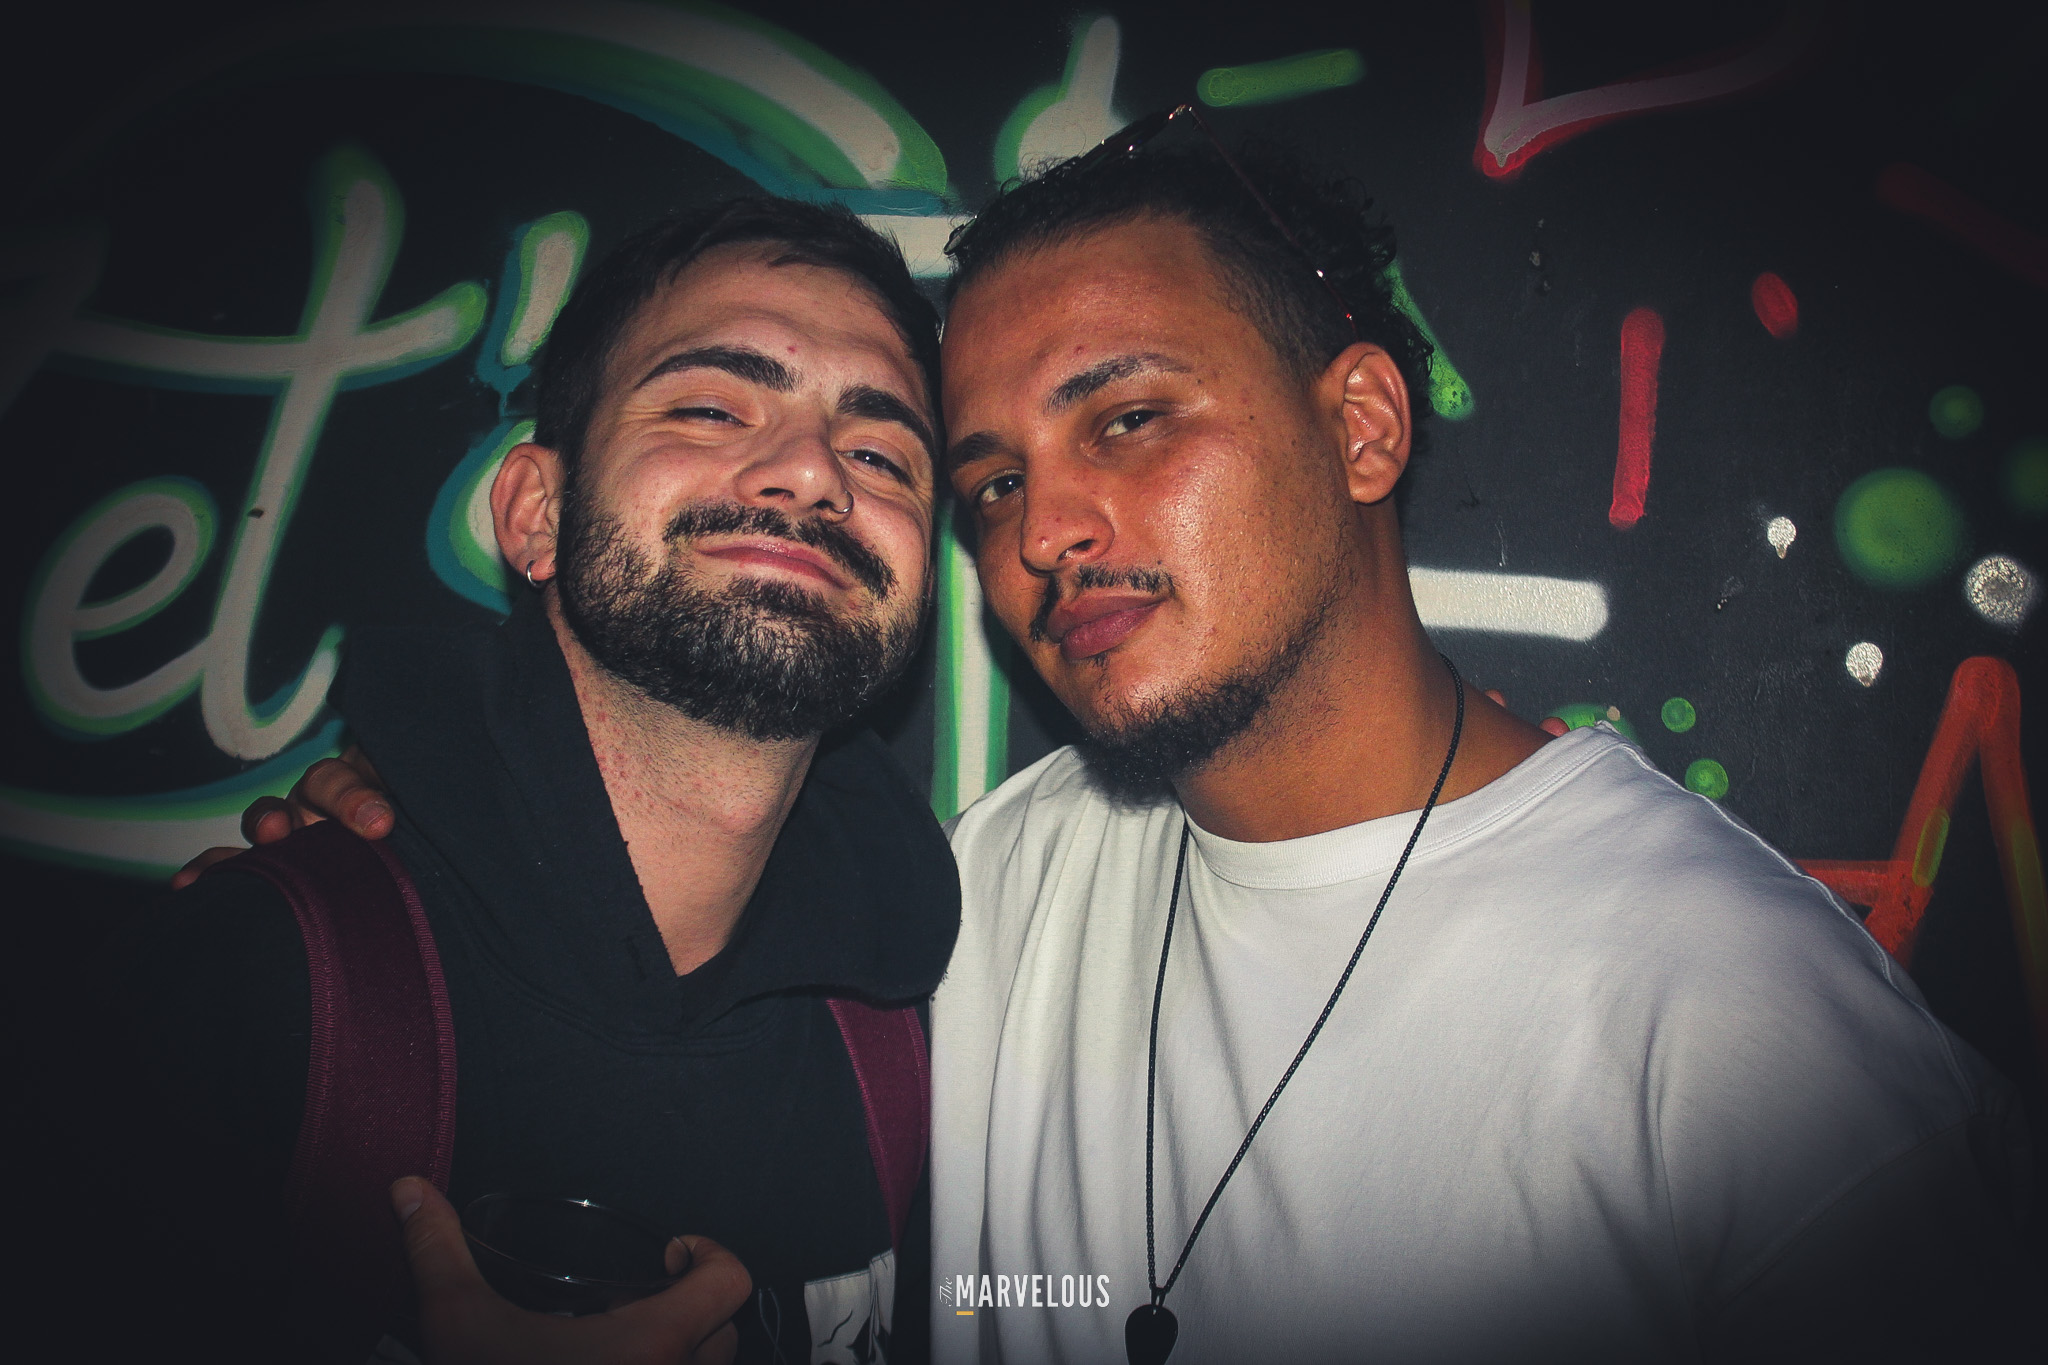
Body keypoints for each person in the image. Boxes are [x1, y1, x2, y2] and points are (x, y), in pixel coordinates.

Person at [224, 120, 2035, 1362]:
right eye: (990, 480)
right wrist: (421, 859)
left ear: (1362, 427)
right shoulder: (976, 889)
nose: (1047, 530)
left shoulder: (1753, 1052)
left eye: (1128, 420)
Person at [128, 196, 958, 1365]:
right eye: (712, 407)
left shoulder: (922, 1037)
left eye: (879, 455)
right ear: (535, 513)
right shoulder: (261, 987)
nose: (813, 470)